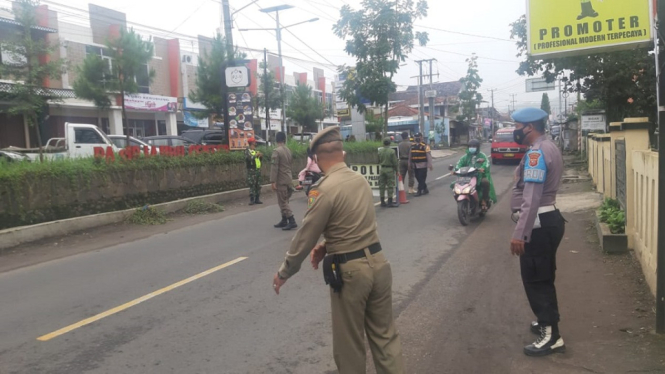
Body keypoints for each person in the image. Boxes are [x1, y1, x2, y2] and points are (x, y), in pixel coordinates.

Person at [272, 126, 404, 373]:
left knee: (349, 348)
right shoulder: (361, 180)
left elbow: (304, 237)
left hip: (352, 274)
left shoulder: (323, 189)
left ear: (317, 160)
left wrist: (284, 271)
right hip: (379, 264)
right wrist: (327, 245)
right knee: (386, 339)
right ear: (342, 153)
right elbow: (360, 224)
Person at [509, 107, 566, 357]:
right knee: (544, 275)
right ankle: (547, 319)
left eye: (518, 126)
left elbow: (531, 197)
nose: (516, 131)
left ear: (529, 127)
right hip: (548, 219)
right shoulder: (548, 146)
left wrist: (520, 233)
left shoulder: (536, 154)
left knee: (535, 279)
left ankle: (551, 335)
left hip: (539, 222)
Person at [454, 139, 496, 209]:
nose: (472, 148)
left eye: (474, 146)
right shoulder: (465, 157)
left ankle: (484, 200)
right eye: (470, 146)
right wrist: (456, 169)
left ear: (477, 147)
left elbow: (486, 163)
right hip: (467, 176)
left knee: (485, 183)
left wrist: (483, 168)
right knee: (454, 185)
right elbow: (459, 164)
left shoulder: (482, 155)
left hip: (479, 176)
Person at [270, 132, 297, 230]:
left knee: (282, 202)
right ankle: (284, 219)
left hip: (281, 180)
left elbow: (274, 167)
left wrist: (273, 181)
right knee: (285, 200)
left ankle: (291, 220)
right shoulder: (288, 150)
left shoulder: (276, 151)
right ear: (284, 140)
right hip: (288, 178)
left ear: (276, 140)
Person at [379, 137, 399, 208]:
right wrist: (397, 171)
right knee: (390, 185)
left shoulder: (380, 151)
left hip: (382, 169)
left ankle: (382, 201)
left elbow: (378, 160)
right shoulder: (392, 151)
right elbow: (395, 162)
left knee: (382, 186)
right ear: (389, 143)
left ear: (383, 143)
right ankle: (390, 202)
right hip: (390, 169)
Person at [244, 137, 263, 205]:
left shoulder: (255, 150)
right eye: (254, 142)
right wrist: (255, 155)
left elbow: (258, 160)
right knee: (252, 185)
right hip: (251, 171)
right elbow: (249, 159)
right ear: (251, 143)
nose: (255, 143)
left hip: (257, 170)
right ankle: (252, 199)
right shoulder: (247, 151)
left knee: (258, 185)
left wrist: (260, 156)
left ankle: (257, 199)